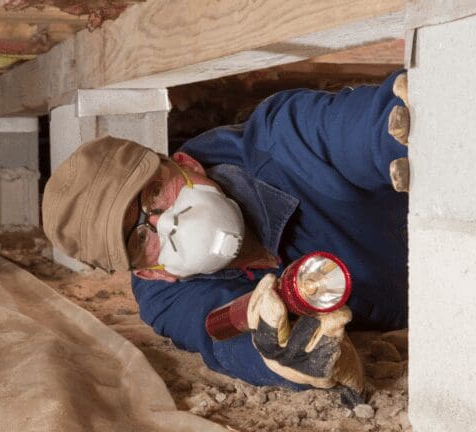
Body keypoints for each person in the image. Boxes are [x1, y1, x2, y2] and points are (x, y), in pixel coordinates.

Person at [41, 70, 410, 403]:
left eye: (154, 194)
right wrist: (280, 357)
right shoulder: (166, 300)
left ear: (186, 164)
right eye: (140, 239)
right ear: (150, 272)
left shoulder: (282, 141)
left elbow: (353, 128)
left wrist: (404, 125)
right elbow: (220, 338)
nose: (166, 222)